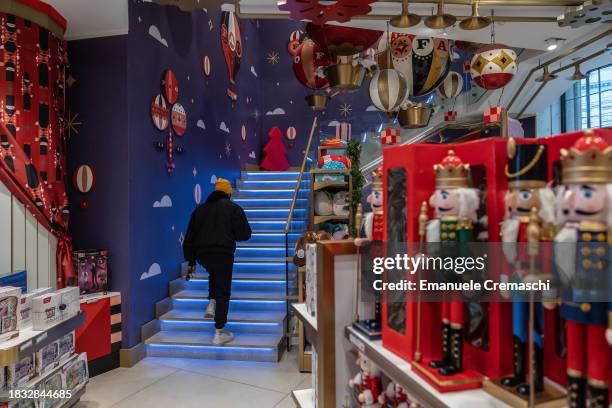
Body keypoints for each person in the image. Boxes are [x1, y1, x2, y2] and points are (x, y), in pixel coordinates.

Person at [183, 178, 252, 345]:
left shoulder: (199, 210)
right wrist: (230, 234)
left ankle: (211, 302)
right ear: (228, 193)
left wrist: (191, 262)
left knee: (213, 272)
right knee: (224, 291)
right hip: (223, 253)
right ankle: (219, 332)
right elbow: (245, 234)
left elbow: (189, 238)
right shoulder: (233, 209)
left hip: (202, 255)